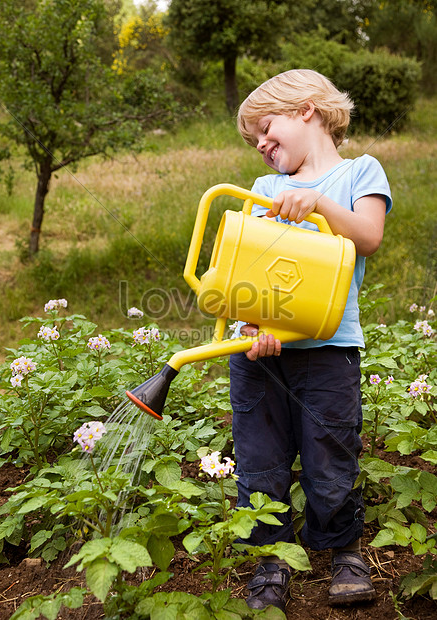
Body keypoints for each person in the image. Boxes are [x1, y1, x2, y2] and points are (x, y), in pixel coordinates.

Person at [230, 69, 392, 611]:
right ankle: (272, 559)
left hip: (328, 350)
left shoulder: (359, 173)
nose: (261, 143)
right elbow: (245, 270)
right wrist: (249, 328)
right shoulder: (264, 190)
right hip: (262, 356)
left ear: (307, 110)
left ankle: (342, 550)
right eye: (254, 141)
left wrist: (318, 204)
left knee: (331, 454)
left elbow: (368, 236)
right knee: (260, 459)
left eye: (266, 127)